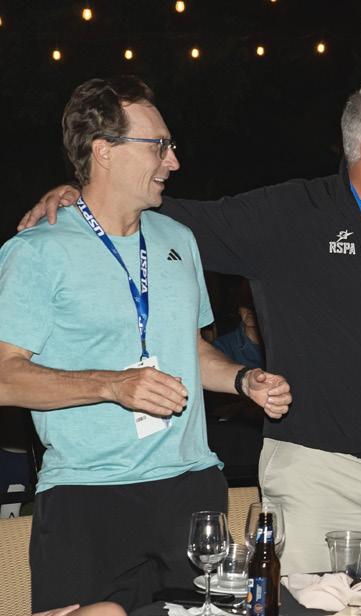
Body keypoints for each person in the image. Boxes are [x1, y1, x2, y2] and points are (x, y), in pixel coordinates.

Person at [20, 83, 361, 574]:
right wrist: (82, 198)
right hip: (316, 478)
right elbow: (164, 214)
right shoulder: (290, 214)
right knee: (306, 605)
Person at [0, 76, 291, 611]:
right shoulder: (36, 251)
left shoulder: (178, 239)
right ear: (104, 151)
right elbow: (4, 377)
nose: (173, 161)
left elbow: (191, 350)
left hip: (192, 488)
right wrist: (113, 385)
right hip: (87, 497)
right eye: (159, 146)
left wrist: (242, 379)